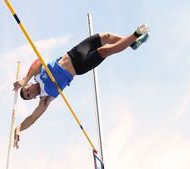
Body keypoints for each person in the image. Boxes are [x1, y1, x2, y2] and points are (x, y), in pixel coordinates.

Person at [12, 24, 150, 148]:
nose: (29, 92)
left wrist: (25, 79)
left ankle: (133, 43)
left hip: (75, 52)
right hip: (80, 67)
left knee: (106, 36)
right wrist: (19, 127)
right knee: (107, 51)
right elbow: (33, 117)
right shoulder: (44, 99)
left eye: (27, 90)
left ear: (29, 85)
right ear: (33, 98)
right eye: (29, 95)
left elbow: (37, 61)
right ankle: (136, 34)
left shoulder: (36, 74)